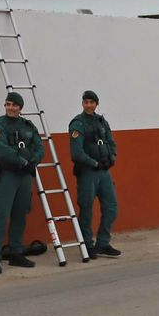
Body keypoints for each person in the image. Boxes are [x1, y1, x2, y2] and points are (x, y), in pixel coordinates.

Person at [0, 91, 44, 274]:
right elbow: (2, 150)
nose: (10, 108)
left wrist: (33, 161)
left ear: (20, 108)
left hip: (24, 176)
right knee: (1, 215)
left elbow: (39, 147)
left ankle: (16, 253)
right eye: (8, 104)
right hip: (7, 175)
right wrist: (23, 162)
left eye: (14, 105)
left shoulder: (28, 126)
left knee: (20, 214)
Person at [69, 90, 121, 258]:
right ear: (82, 103)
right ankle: (87, 245)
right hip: (88, 172)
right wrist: (94, 163)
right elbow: (76, 153)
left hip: (104, 172)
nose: (89, 105)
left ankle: (103, 243)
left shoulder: (102, 121)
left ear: (96, 104)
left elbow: (111, 142)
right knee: (86, 209)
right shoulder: (78, 123)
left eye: (92, 102)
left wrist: (112, 158)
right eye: (86, 102)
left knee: (111, 207)